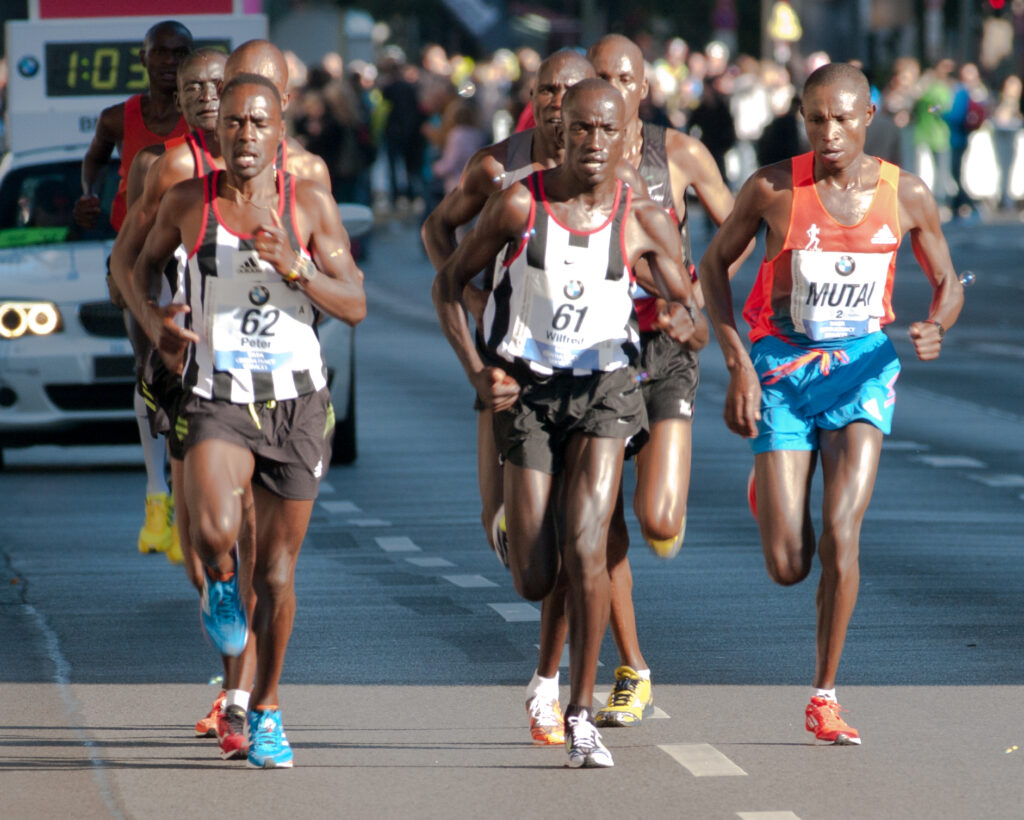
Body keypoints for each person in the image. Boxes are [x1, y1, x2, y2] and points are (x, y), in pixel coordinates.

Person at [433, 78, 701, 768]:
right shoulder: (520, 204)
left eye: (606, 132)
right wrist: (478, 370)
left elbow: (691, 308)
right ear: (558, 132)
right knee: (534, 573)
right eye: (580, 129)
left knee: (588, 544)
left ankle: (580, 710)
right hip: (526, 392)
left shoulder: (641, 215)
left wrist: (682, 320)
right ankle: (548, 680)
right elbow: (448, 283)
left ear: (625, 137)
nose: (592, 143)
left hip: (606, 390)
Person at [699, 62, 964, 745]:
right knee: (789, 564)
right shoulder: (772, 189)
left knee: (843, 534)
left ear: (869, 116)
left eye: (843, 117)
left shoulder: (907, 194)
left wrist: (938, 320)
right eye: (817, 119)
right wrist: (736, 363)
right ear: (803, 119)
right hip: (783, 370)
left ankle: (824, 693)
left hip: (862, 372)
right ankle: (771, 491)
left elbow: (946, 277)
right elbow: (711, 268)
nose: (830, 132)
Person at [131, 74, 366, 768]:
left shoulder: (310, 204)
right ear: (216, 129)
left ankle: (265, 708)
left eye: (257, 123)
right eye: (232, 123)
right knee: (212, 530)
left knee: (281, 575)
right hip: (218, 395)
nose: (244, 136)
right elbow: (138, 270)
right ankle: (220, 584)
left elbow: (353, 304)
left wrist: (298, 270)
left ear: (278, 128)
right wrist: (161, 325)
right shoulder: (187, 202)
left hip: (296, 403)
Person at [587, 33, 745, 727]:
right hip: (593, 352)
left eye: (625, 78)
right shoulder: (567, 162)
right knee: (602, 515)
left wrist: (700, 301)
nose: (614, 89)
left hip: (667, 344)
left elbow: (739, 228)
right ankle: (633, 667)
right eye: (601, 77)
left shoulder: (675, 152)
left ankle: (663, 512)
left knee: (660, 517)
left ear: (643, 87)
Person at [74, 20, 193, 559]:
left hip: (190, 252)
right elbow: (95, 158)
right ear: (143, 59)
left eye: (180, 53)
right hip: (137, 256)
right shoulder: (118, 119)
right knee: (149, 367)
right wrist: (89, 193)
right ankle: (155, 498)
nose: (171, 61)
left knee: (193, 371)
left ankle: (192, 492)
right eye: (161, 53)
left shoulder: (204, 120)